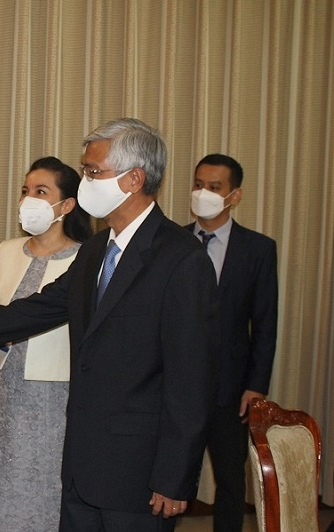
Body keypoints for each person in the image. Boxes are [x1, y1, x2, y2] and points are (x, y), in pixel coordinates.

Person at [0, 118, 219, 531]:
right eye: (84, 171)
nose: (84, 181)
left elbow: (191, 379)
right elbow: (35, 309)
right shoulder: (97, 248)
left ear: (134, 179)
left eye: (93, 172)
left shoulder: (181, 259)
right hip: (80, 464)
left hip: (139, 472)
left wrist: (175, 476)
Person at [0, 156, 92, 531]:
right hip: (6, 387)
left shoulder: (86, 259)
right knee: (3, 480)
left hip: (55, 393)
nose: (29, 199)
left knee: (46, 484)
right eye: (26, 191)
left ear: (67, 204)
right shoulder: (7, 250)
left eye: (41, 192)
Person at [187, 153, 278, 531]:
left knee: (229, 481)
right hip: (177, 386)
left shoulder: (258, 249)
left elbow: (266, 323)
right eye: (197, 184)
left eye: (214, 187)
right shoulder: (171, 242)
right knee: (169, 479)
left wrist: (256, 386)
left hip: (230, 389)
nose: (202, 193)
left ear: (234, 195)